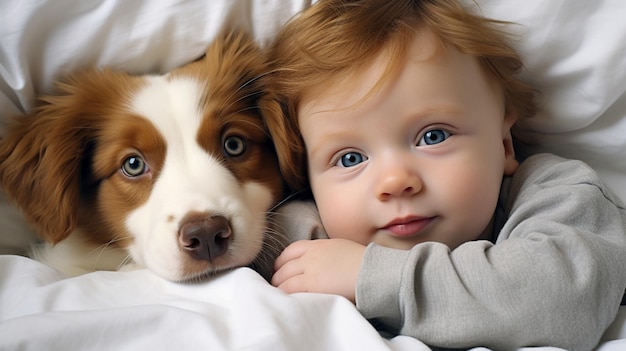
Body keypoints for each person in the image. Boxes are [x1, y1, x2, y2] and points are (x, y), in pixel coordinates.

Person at [261, 0, 626, 350]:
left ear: (504, 144)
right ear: (308, 180)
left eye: (433, 136)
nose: (395, 181)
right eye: (350, 158)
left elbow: (562, 303)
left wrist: (369, 277)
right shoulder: (304, 236)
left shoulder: (560, 197)